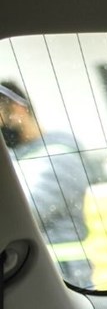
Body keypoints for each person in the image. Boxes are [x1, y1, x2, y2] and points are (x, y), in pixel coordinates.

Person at [0, 80, 94, 286]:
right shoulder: (17, 157)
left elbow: (26, 213)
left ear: (18, 109)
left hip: (67, 283)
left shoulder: (59, 154)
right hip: (37, 278)